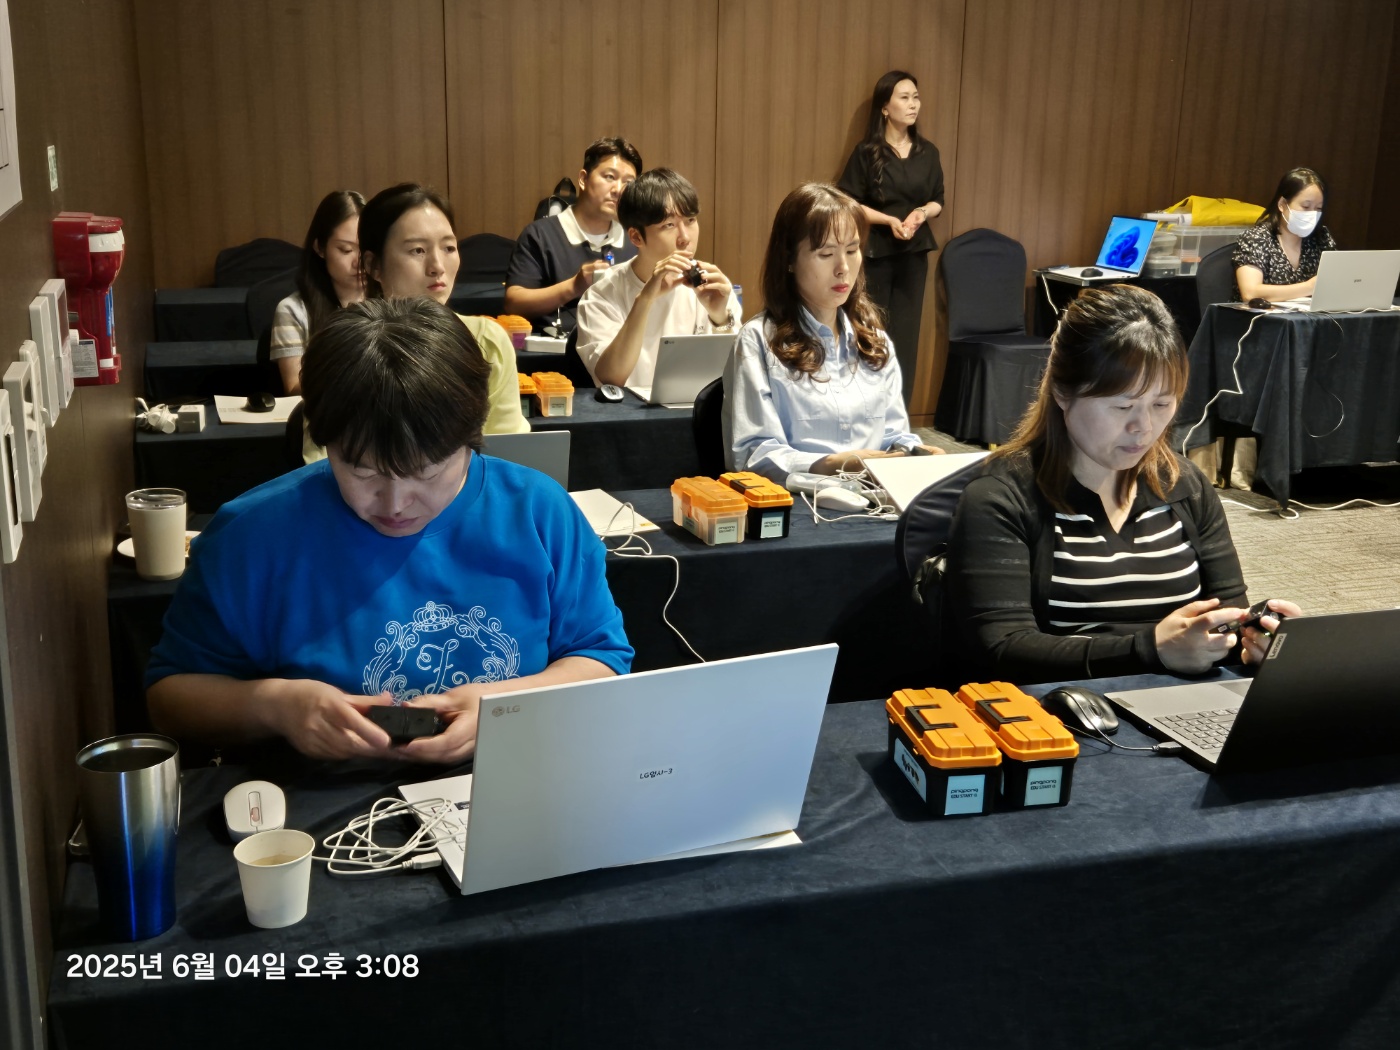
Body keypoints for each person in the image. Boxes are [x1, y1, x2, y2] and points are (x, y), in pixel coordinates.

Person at [146, 298, 632, 764]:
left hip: (502, 781)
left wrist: (503, 708)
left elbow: (601, 657)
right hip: (313, 798)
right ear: (322, 438)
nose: (395, 503)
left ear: (472, 437)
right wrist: (275, 706)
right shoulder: (251, 536)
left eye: (427, 472)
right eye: (361, 470)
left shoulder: (538, 512)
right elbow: (169, 699)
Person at [943, 284, 1301, 684]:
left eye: (1162, 404)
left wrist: (1252, 639)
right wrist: (1150, 650)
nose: (1143, 427)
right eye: (1122, 406)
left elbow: (1224, 615)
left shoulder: (1184, 485)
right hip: (1066, 707)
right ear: (1062, 392)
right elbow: (1002, 649)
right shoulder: (1001, 497)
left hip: (1183, 701)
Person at [724, 183, 942, 484]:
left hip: (874, 496)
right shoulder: (759, 341)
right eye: (826, 254)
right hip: (803, 502)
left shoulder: (874, 341)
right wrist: (833, 464)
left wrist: (914, 451)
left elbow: (894, 434)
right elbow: (753, 454)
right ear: (789, 260)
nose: (843, 268)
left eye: (852, 250)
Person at [358, 182, 528, 435]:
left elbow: (507, 448)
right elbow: (323, 454)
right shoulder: (349, 348)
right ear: (373, 265)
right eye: (417, 250)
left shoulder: (487, 341)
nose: (437, 266)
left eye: (449, 248)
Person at [575, 168, 741, 389]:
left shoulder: (711, 285)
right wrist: (644, 300)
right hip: (630, 410)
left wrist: (720, 318)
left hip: (697, 408)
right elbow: (611, 378)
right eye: (668, 225)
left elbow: (737, 374)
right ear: (636, 237)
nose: (685, 238)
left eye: (690, 220)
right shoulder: (601, 296)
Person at [838, 70, 945, 406]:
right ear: (885, 107)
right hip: (876, 254)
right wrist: (887, 220)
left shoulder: (928, 152)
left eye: (916, 97)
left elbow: (938, 200)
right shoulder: (867, 152)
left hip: (914, 254)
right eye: (905, 97)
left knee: (906, 338)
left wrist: (921, 213)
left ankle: (900, 412)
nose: (913, 104)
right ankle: (866, 408)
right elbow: (848, 201)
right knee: (872, 331)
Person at [504, 137, 643, 334]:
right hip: (555, 347)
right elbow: (514, 303)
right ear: (583, 179)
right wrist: (574, 286)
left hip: (619, 346)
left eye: (628, 182)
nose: (618, 190)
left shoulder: (635, 240)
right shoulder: (541, 235)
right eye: (610, 177)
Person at [269, 189, 364, 396]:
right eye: (346, 250)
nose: (359, 262)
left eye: (366, 249)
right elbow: (294, 389)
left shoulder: (393, 300)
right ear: (320, 248)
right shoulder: (294, 310)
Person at [1233, 167, 1335, 303]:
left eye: (1318, 208)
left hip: (1307, 315)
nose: (1312, 214)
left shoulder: (1321, 238)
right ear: (1282, 204)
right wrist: (1309, 287)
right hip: (1260, 315)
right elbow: (1250, 293)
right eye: (1305, 206)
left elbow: (1336, 283)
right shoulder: (1256, 238)